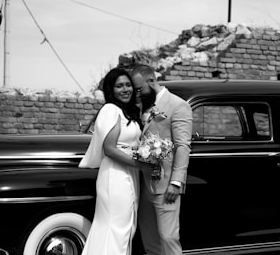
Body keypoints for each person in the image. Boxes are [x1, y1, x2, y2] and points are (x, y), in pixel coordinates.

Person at [78, 67, 153, 255]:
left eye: (128, 85)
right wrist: (140, 165)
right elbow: (109, 148)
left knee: (126, 227)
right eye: (119, 86)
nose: (125, 89)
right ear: (111, 89)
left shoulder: (126, 112)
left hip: (129, 173)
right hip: (115, 176)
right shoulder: (110, 110)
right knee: (116, 228)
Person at [131, 64, 193, 255]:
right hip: (143, 184)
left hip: (166, 184)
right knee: (150, 241)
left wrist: (176, 181)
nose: (138, 94)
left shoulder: (178, 105)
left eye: (140, 89)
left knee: (168, 237)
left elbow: (183, 145)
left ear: (152, 81)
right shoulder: (142, 106)